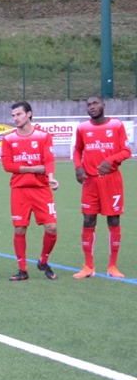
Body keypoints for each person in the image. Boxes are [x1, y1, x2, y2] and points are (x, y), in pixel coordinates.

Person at [72, 95, 131, 278]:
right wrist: (78, 167)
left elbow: (126, 150)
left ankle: (112, 266)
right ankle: (88, 266)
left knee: (113, 221)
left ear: (103, 105)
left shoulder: (116, 125)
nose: (92, 107)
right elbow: (77, 150)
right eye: (88, 104)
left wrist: (110, 160)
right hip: (90, 182)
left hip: (111, 181)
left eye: (95, 103)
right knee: (88, 220)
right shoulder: (82, 128)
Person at [1, 102, 59, 281]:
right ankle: (22, 270)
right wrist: (33, 168)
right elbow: (7, 165)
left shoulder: (43, 136)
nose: (15, 118)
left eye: (19, 114)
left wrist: (50, 177)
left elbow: (48, 159)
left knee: (52, 227)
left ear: (29, 114)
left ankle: (43, 261)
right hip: (19, 190)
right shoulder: (8, 139)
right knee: (20, 229)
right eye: (13, 115)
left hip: (41, 189)